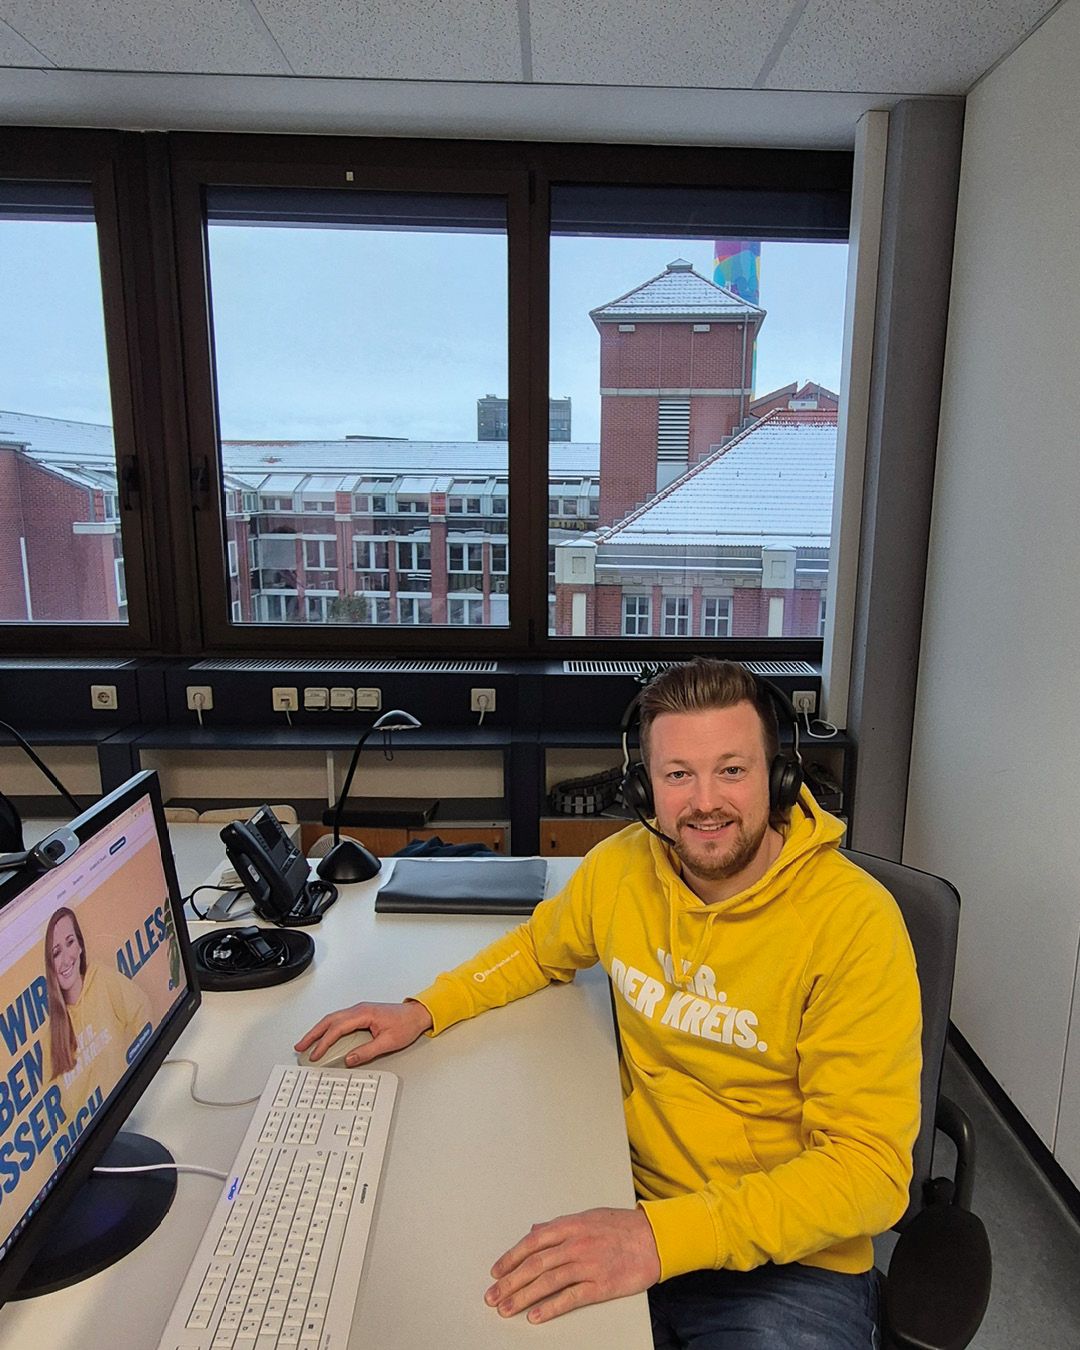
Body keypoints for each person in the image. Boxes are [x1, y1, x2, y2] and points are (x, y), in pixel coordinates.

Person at [296, 659, 922, 1347]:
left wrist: (664, 1237)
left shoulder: (855, 924)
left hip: (788, 1259)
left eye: (732, 771)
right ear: (643, 785)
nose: (705, 801)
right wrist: (423, 1008)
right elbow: (538, 950)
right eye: (678, 774)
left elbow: (869, 1173)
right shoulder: (622, 868)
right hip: (627, 1201)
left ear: (778, 776)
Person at [44, 905, 152, 1109]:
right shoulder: (51, 1033)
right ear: (50, 964)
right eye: (56, 952)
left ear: (80, 946)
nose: (66, 959)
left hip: (133, 1107)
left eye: (70, 943)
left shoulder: (103, 979)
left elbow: (143, 1012)